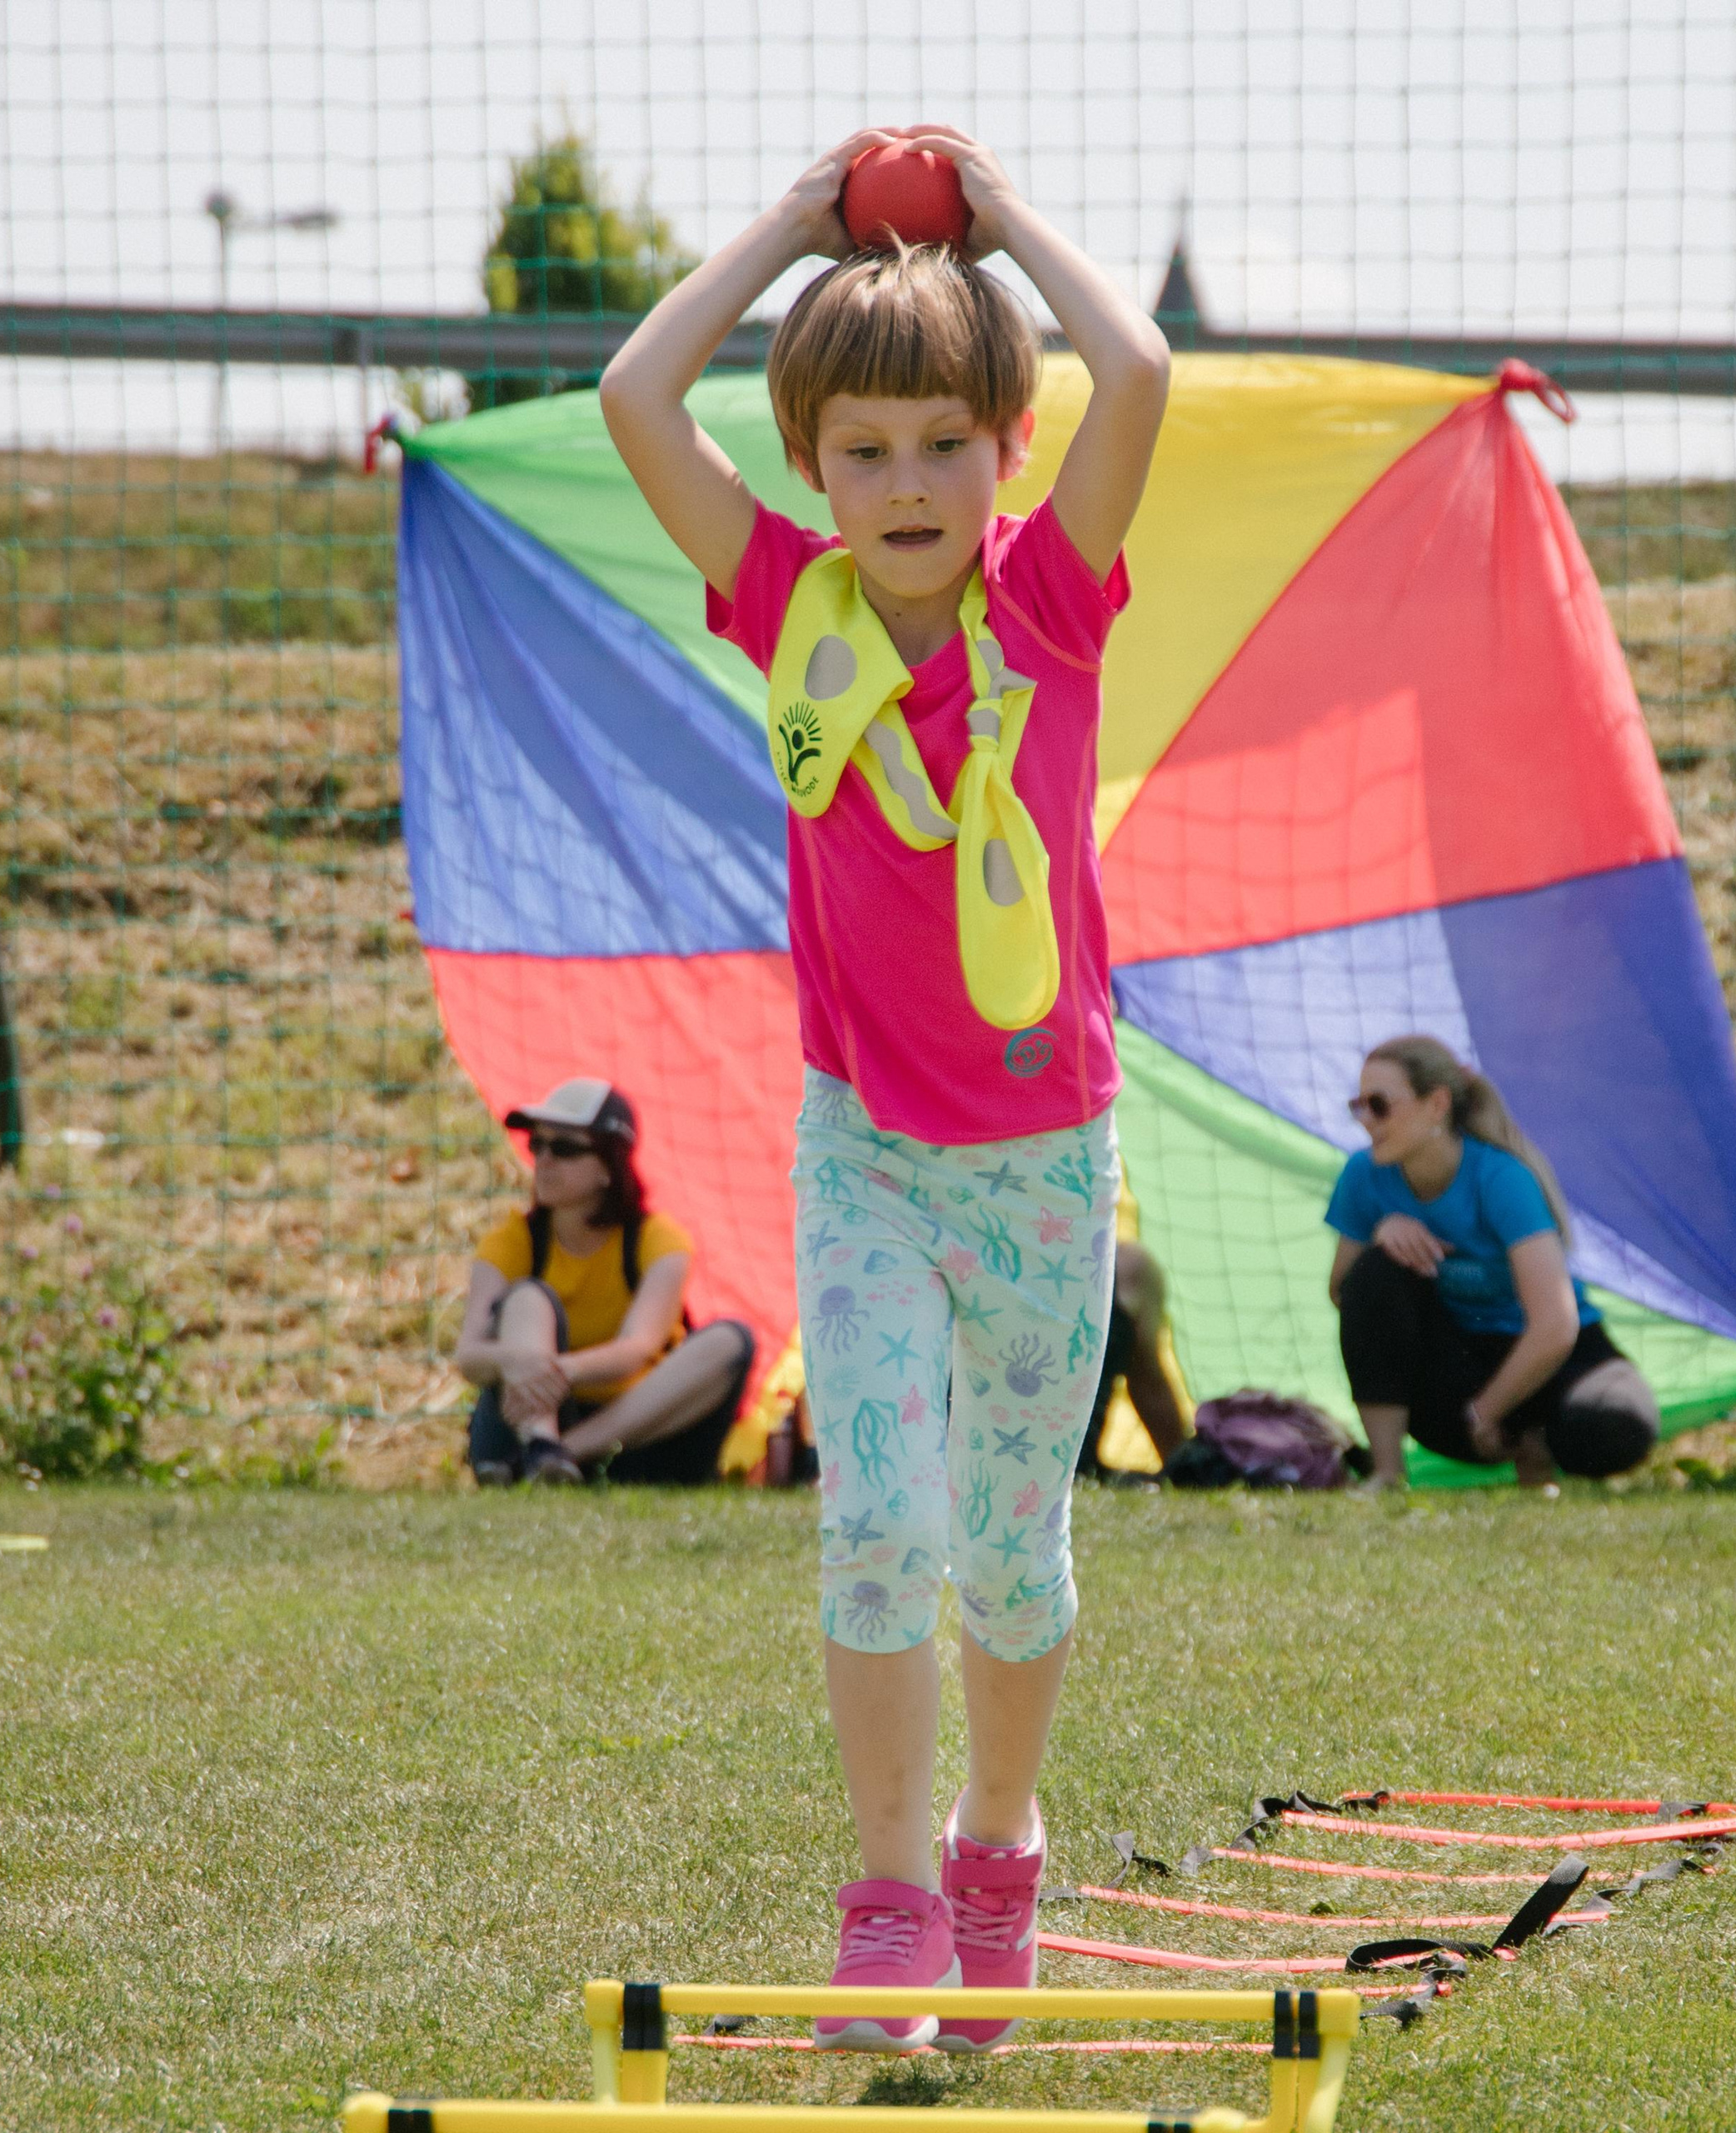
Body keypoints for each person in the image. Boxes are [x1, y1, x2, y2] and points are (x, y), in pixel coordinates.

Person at [601, 125, 1169, 2051]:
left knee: (1012, 1554)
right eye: (861, 448)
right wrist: (788, 226)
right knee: (875, 1522)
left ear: (1004, 449)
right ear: (808, 468)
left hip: (1039, 1164)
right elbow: (632, 393)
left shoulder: (1051, 605)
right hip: (864, 1160)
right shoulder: (782, 603)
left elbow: (1143, 373)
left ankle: (995, 1839)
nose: (906, 482)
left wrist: (999, 222)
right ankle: (886, 1901)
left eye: (944, 440)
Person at [1325, 1035, 1659, 1490]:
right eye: (1357, 1106)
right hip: (1460, 1359)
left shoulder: (1501, 1178)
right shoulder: (1364, 1176)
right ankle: (1387, 1475)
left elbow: (1556, 1327)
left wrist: (1486, 1411)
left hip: (1552, 1358)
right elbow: (1346, 1294)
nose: (1366, 1121)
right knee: (1373, 1274)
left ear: (1436, 1105)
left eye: (1379, 1105)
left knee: (1615, 1425)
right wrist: (1383, 1235)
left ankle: (1538, 1446)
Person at [456, 1079, 755, 1487]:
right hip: (528, 1420)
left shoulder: (658, 1239)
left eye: (564, 1148)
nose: (543, 1160)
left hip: (634, 1433)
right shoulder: (512, 1240)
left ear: (608, 1167)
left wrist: (557, 1371)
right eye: (537, 1145)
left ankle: (553, 1457)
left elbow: (637, 1349)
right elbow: (469, 1355)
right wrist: (516, 1363)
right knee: (527, 1300)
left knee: (732, 1340)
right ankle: (540, 1444)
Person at [1074, 1237, 1188, 1476]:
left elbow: (1148, 1385)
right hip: (1072, 1474)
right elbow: (1149, 1385)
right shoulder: (1129, 1267)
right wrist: (1188, 1471)